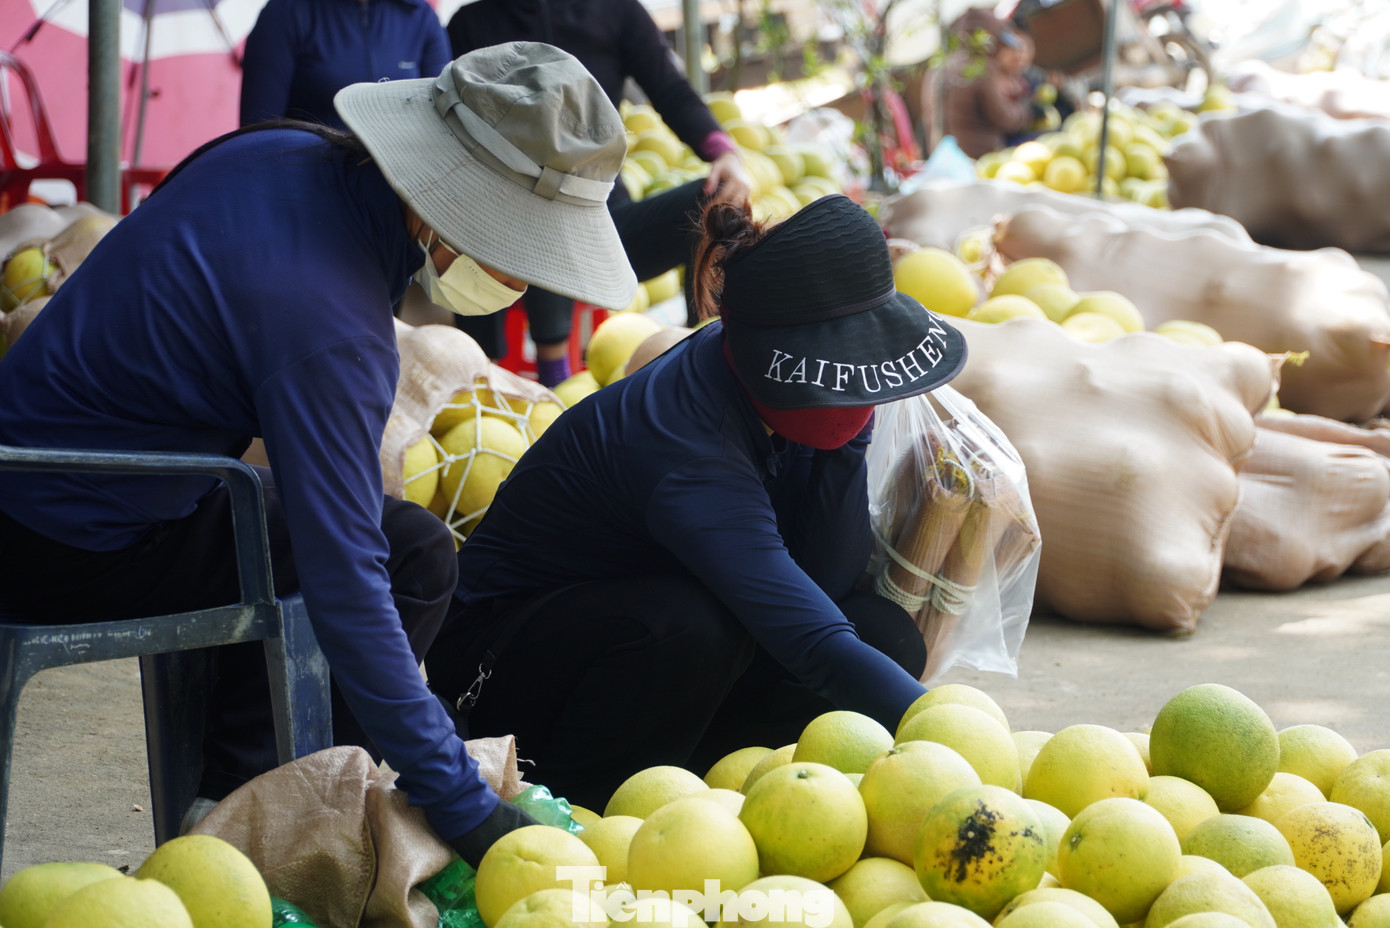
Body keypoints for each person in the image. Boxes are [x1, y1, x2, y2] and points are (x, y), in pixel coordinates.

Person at [0, 42, 636, 865]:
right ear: (448, 208)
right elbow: (348, 582)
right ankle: (257, 828)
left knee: (328, 532)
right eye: (521, 249)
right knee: (409, 559)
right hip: (63, 538)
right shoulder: (330, 325)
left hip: (44, 470)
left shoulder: (278, 149)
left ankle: (223, 791)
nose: (522, 277)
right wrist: (463, 805)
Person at [424, 193, 969, 809]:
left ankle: (694, 772)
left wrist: (847, 440)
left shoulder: (772, 392)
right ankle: (578, 802)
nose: (860, 386)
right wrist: (965, 746)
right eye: (847, 367)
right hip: (498, 667)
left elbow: (827, 581)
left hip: (634, 637)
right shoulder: (687, 449)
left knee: (882, 636)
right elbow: (813, 642)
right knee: (690, 629)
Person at [446, 0, 753, 386]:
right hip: (501, 233)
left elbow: (670, 88)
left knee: (719, 200)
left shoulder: (615, 11)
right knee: (540, 201)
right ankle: (538, 382)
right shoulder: (471, 24)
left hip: (604, 226)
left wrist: (723, 152)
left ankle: (701, 354)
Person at [239, 0, 451, 128]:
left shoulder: (420, 16)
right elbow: (257, 130)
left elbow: (443, 120)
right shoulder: (286, 12)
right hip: (310, 180)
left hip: (400, 185)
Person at [921, 11, 1038, 159]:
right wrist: (1028, 112)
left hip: (944, 157)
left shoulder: (937, 68)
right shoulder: (981, 67)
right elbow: (1003, 118)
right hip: (978, 158)